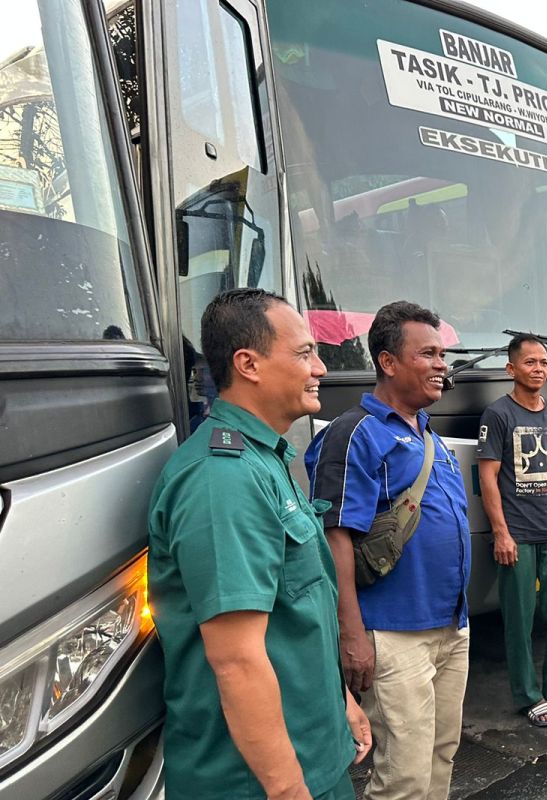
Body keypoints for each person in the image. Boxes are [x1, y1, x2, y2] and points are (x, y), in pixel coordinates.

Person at [148, 288, 370, 800]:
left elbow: (300, 612)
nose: (321, 368)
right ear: (248, 364)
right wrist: (289, 789)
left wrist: (341, 704)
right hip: (258, 781)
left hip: (315, 752)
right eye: (304, 353)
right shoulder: (221, 480)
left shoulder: (265, 457)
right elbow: (237, 659)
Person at [307, 301, 471, 800]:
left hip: (450, 628)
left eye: (443, 353)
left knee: (441, 753)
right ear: (388, 362)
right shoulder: (355, 433)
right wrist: (351, 635)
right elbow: (335, 536)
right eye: (428, 353)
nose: (442, 364)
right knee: (402, 775)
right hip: (394, 635)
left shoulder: (428, 435)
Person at [477, 334, 547, 727]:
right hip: (517, 535)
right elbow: (488, 478)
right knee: (520, 620)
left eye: (544, 363)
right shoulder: (497, 415)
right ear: (511, 369)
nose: (539, 369)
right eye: (530, 362)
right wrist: (501, 533)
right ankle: (528, 695)